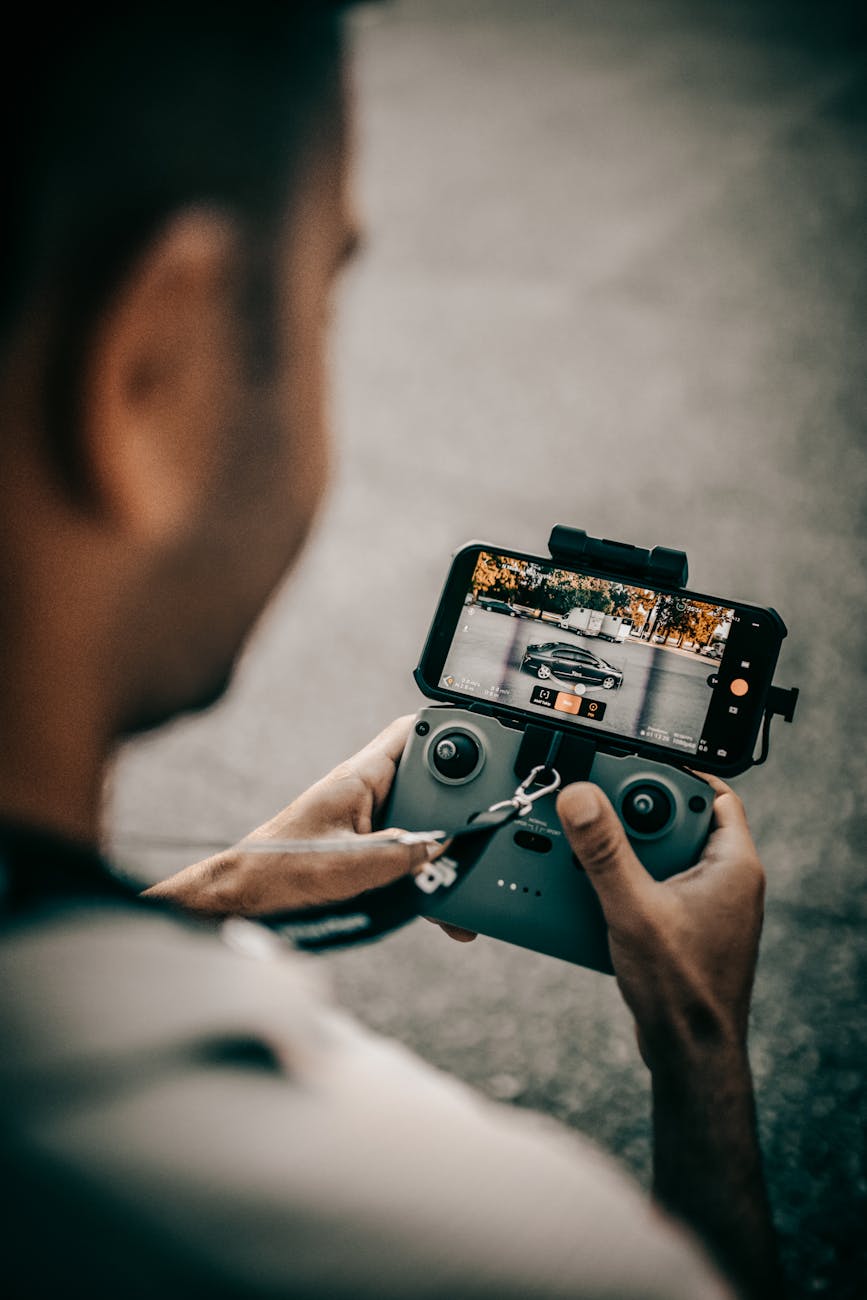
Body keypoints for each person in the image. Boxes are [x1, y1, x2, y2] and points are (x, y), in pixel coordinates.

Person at [0, 4, 783, 1297]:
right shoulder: (500, 1252)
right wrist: (699, 1051)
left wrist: (185, 914)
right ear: (150, 372)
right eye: (321, 300)